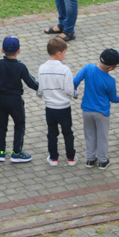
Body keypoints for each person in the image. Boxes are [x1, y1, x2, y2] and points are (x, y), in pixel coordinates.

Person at [73, 49, 119, 170]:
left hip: (87, 110)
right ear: (111, 68)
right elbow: (113, 99)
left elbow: (74, 81)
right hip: (102, 113)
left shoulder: (88, 68)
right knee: (102, 136)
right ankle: (103, 160)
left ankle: (90, 159)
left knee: (89, 135)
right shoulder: (110, 81)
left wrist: (75, 93)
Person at [0, 36, 38, 163]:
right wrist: (42, 88)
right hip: (15, 101)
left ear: (2, 50)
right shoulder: (21, 67)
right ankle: (16, 152)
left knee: (1, 126)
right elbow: (31, 82)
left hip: (1, 100)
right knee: (19, 124)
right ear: (19, 50)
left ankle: (1, 152)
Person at [36, 37, 76, 166]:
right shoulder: (65, 70)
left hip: (50, 108)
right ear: (59, 54)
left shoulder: (42, 68)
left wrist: (41, 95)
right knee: (67, 132)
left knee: (52, 133)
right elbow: (69, 90)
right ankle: (71, 158)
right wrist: (76, 93)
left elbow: (40, 89)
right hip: (64, 107)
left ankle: (53, 158)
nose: (64, 55)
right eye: (64, 53)